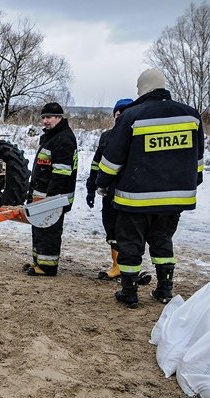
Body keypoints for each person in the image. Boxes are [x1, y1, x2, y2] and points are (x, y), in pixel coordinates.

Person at [98, 68, 204, 308]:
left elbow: (113, 159)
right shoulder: (191, 116)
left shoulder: (133, 115)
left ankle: (129, 292)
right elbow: (198, 160)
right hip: (174, 199)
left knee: (131, 244)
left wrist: (102, 183)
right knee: (163, 241)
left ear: (142, 88)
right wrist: (188, 184)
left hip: (136, 198)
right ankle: (165, 289)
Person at [24, 102, 78, 276]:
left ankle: (47, 266)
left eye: (49, 117)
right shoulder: (51, 136)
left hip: (54, 197)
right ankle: (38, 261)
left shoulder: (64, 139)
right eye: (44, 117)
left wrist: (50, 200)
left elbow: (61, 173)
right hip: (41, 194)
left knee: (49, 231)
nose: (45, 121)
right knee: (39, 228)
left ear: (59, 118)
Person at [86, 98, 133, 280]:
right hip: (109, 191)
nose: (120, 115)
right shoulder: (107, 136)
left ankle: (129, 266)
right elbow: (96, 163)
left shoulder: (137, 136)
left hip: (131, 193)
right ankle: (116, 266)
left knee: (128, 231)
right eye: (118, 112)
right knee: (111, 229)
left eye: (125, 112)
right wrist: (91, 188)